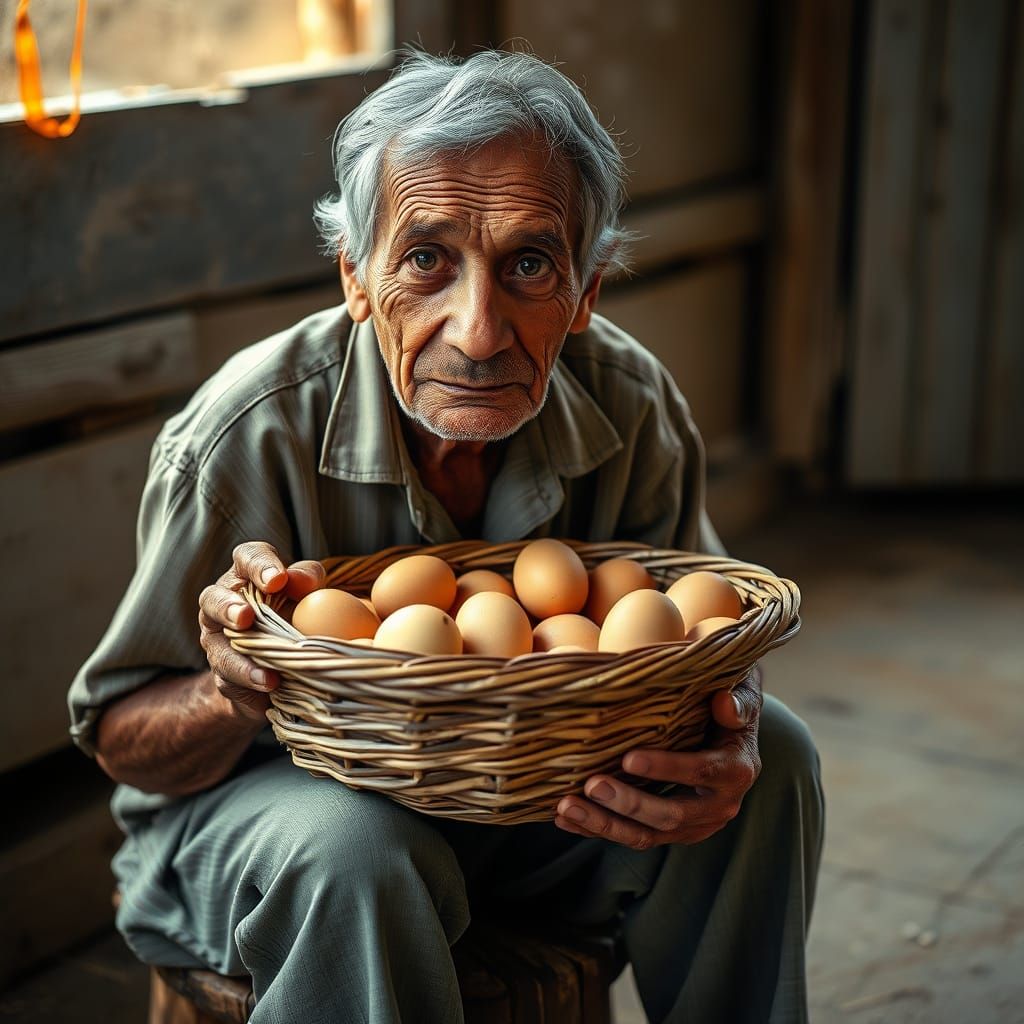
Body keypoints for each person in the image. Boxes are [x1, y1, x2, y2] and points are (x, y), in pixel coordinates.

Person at [68, 49, 824, 1023]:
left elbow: (699, 642)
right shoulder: (246, 434)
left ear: (586, 292)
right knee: (363, 852)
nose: (476, 331)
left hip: (538, 808)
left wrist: (733, 724)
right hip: (274, 822)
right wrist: (233, 681)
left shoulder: (630, 404)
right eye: (426, 259)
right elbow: (125, 743)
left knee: (777, 764)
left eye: (528, 265)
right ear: (355, 276)